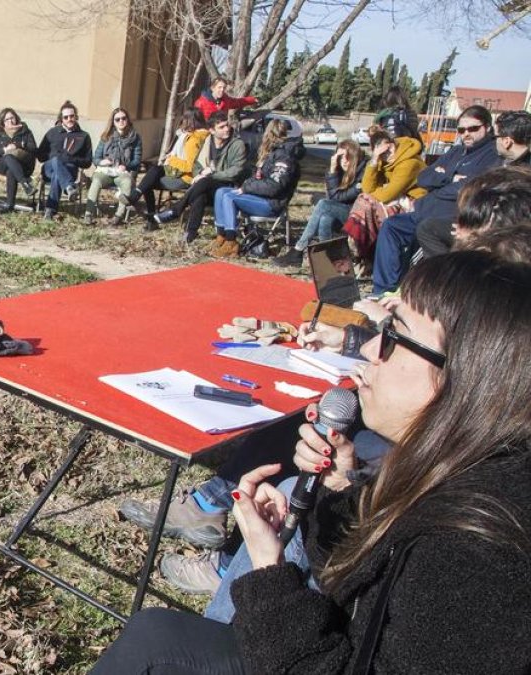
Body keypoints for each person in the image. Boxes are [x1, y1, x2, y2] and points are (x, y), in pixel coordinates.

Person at [91, 246, 531, 674]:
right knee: (159, 636)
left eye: (395, 337)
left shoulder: (479, 551)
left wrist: (268, 572)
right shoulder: (457, 469)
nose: (369, 349)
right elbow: (368, 584)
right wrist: (341, 487)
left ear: (469, 380)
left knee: (157, 645)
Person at [371, 105, 502, 295]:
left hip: (449, 217)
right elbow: (423, 178)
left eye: (473, 129)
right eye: (461, 130)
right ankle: (382, 291)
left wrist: (442, 182)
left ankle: (429, 292)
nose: (466, 134)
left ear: (488, 127)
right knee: (391, 226)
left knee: (425, 231)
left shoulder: (492, 155)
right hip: (423, 210)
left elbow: (469, 188)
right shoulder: (456, 152)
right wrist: (450, 176)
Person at [417, 110, 531, 257]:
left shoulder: (521, 174)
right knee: (429, 227)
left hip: (503, 238)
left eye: (496, 136)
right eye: (461, 130)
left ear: (507, 141)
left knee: (432, 231)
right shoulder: (504, 163)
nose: (493, 141)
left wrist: (474, 232)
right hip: (480, 224)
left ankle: (451, 275)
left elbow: (511, 216)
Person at [210, 119, 302, 257]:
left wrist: (247, 187)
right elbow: (259, 176)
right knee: (221, 192)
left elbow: (274, 187)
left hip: (272, 203)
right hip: (260, 197)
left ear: (270, 134)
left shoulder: (285, 156)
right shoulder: (273, 152)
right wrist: (248, 184)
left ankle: (231, 242)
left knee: (229, 197)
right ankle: (221, 237)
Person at [153, 111, 248, 244]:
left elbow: (236, 172)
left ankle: (176, 210)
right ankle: (190, 234)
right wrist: (200, 173)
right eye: (221, 127)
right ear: (212, 130)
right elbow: (196, 164)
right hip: (207, 185)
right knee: (200, 194)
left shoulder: (237, 144)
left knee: (204, 182)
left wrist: (212, 173)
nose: (226, 129)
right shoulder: (207, 142)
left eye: (227, 125)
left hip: (228, 187)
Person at [340, 129, 427, 272]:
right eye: (382, 154)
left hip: (414, 205)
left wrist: (372, 194)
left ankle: (355, 248)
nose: (387, 155)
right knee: (364, 202)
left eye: (389, 150)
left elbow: (388, 194)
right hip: (394, 202)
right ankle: (357, 249)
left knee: (365, 203)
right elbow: (367, 188)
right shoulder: (383, 161)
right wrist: (374, 161)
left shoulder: (410, 163)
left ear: (392, 145)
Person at [274, 139, 365, 267]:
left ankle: (298, 250)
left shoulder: (363, 172)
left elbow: (335, 197)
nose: (344, 160)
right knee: (325, 219)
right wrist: (333, 169)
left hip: (359, 216)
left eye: (348, 157)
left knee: (323, 204)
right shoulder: (341, 171)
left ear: (355, 157)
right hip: (343, 212)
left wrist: (332, 172)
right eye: (340, 157)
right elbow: (334, 197)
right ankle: (330, 263)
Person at [122, 110, 208, 230]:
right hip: (176, 172)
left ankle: (147, 213)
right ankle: (140, 202)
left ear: (189, 121)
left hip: (185, 178)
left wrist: (172, 159)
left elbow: (189, 166)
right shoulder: (187, 136)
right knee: (153, 173)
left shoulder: (194, 140)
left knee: (148, 182)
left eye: (184, 119)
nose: (182, 122)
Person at [83, 107, 142, 225]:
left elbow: (137, 161)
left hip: (122, 173)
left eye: (123, 118)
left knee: (126, 182)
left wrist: (126, 165)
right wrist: (101, 162)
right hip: (106, 171)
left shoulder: (135, 138)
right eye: (117, 119)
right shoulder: (106, 137)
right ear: (113, 122)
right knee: (96, 181)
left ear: (128, 120)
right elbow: (96, 159)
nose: (121, 121)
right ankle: (88, 214)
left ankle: (118, 216)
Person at [36, 100, 92, 221]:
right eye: (66, 117)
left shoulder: (84, 136)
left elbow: (87, 162)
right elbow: (40, 156)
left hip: (70, 169)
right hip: (49, 168)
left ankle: (50, 210)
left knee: (58, 175)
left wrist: (71, 159)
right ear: (61, 119)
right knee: (56, 160)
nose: (69, 119)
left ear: (76, 117)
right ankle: (69, 187)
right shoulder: (52, 133)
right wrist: (53, 156)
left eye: (72, 116)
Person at [0, 107, 38, 215]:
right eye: (6, 120)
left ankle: (10, 205)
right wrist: (5, 149)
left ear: (16, 118)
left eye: (12, 118)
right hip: (2, 165)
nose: (10, 121)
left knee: (11, 171)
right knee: (8, 157)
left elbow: (34, 148)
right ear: (2, 122)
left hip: (23, 166)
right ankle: (26, 186)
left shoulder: (25, 131)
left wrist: (18, 145)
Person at [193, 77, 257, 121]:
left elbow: (238, 102)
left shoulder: (226, 100)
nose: (222, 90)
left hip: (221, 133)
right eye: (219, 87)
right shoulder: (200, 102)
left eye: (224, 87)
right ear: (213, 88)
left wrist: (252, 99)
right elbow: (195, 120)